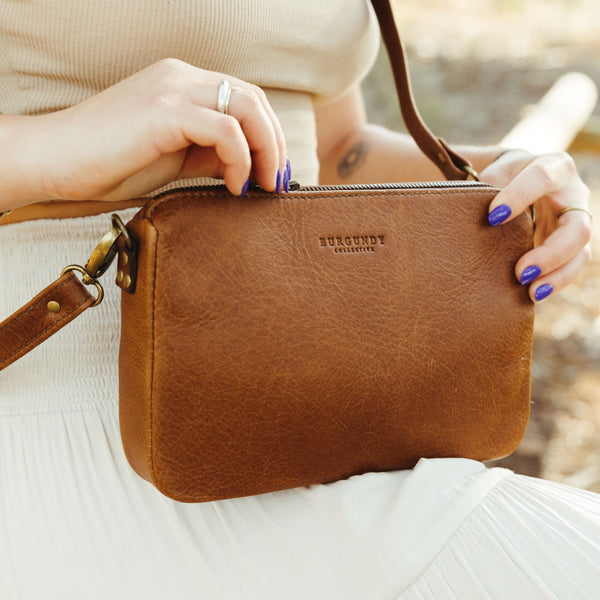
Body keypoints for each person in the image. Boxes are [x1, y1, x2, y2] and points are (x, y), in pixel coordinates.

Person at [0, 1, 596, 598]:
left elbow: (338, 149)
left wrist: (497, 178)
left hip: (331, 400)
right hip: (73, 407)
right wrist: (51, 145)